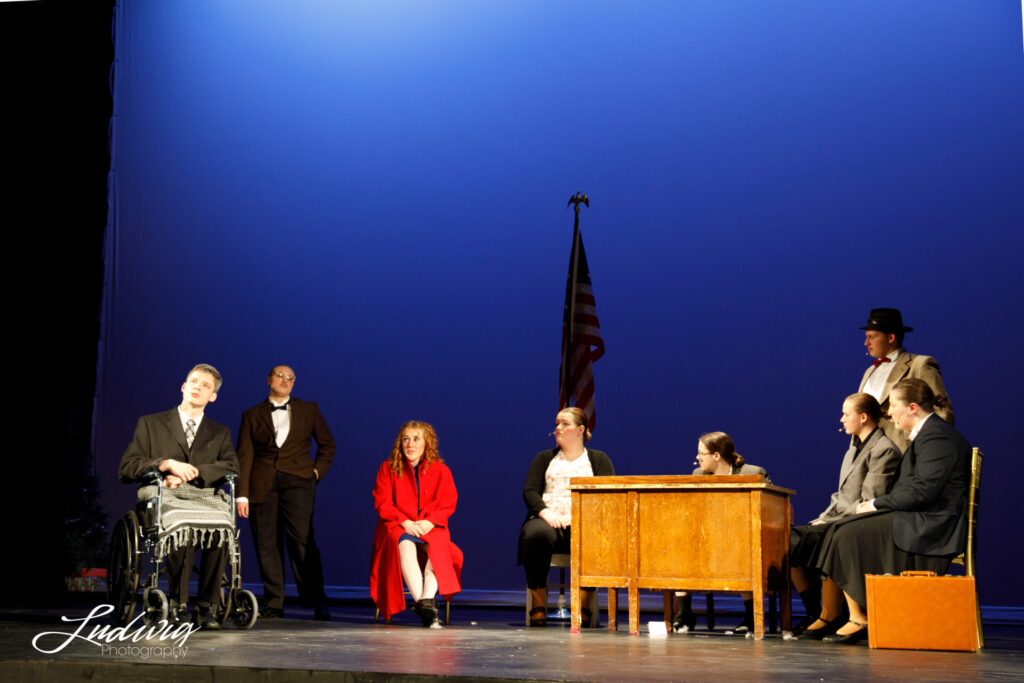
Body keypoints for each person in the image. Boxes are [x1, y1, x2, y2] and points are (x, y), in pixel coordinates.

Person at [817, 378, 970, 645]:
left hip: (932, 525)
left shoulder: (936, 436)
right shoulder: (928, 434)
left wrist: (876, 504)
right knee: (843, 528)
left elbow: (923, 492)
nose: (889, 413)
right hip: (920, 516)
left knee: (845, 533)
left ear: (912, 408)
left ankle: (861, 616)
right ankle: (860, 613)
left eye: (894, 406)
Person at [118, 364, 239, 629]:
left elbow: (231, 466)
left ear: (213, 396)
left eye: (206, 386)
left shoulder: (220, 433)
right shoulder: (151, 423)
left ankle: (206, 607)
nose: (198, 387)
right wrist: (165, 464)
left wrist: (189, 474)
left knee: (221, 525)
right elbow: (127, 468)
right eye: (194, 382)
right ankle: (178, 604)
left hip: (201, 495)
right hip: (164, 493)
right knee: (182, 525)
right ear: (183, 387)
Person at [790, 393, 901, 639]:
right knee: (790, 540)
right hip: (839, 517)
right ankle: (816, 612)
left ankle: (834, 615)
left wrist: (830, 521)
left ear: (863, 417)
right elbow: (840, 495)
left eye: (846, 414)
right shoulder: (853, 448)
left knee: (829, 538)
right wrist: (823, 517)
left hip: (859, 522)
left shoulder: (884, 450)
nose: (841, 419)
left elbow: (869, 500)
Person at [235, 365, 335, 620]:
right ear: (269, 379)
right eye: (280, 375)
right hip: (262, 484)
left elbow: (327, 445)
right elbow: (244, 456)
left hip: (299, 481)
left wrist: (316, 473)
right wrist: (241, 494)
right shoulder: (251, 414)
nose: (285, 380)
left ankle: (316, 600)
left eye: (291, 378)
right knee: (266, 544)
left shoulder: (309, 409)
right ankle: (274, 604)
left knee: (302, 541)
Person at [518, 407, 614, 626]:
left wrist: (580, 517)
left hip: (584, 522)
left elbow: (607, 495)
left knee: (594, 537)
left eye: (564, 424)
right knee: (535, 535)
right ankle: (539, 605)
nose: (558, 429)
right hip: (548, 520)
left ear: (580, 430)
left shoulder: (598, 459)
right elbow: (530, 491)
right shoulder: (544, 458)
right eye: (557, 424)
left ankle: (582, 607)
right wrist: (546, 513)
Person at [672, 432, 771, 634]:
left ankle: (751, 617)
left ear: (716, 455)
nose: (697, 458)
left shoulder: (751, 473)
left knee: (740, 551)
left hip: (743, 537)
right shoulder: (698, 475)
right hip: (709, 537)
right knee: (680, 549)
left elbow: (768, 508)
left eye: (701, 453)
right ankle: (684, 615)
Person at [370, 421, 463, 627]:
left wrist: (430, 522)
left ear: (426, 443)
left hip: (429, 527)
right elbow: (383, 503)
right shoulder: (387, 469)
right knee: (404, 543)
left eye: (416, 439)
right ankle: (425, 604)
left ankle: (425, 601)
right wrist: (404, 522)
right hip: (396, 527)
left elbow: (447, 503)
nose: (410, 444)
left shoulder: (441, 471)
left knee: (443, 548)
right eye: (405, 439)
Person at [858, 308, 954, 451]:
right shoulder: (869, 372)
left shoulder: (920, 364)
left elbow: (942, 412)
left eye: (872, 337)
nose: (866, 343)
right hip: (867, 457)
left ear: (891, 338)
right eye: (866, 337)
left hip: (903, 454)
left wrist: (927, 452)